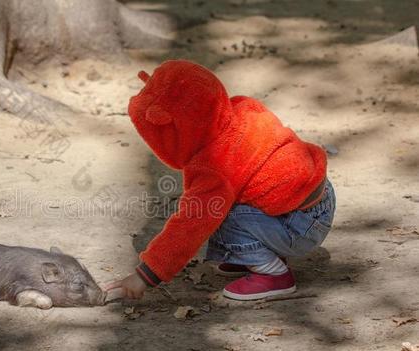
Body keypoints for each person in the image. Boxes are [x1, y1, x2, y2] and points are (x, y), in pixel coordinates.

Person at [105, 60, 335, 301]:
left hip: (299, 227)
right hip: (321, 197)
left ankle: (274, 275)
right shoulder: (241, 107)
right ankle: (256, 252)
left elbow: (188, 226)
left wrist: (145, 275)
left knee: (216, 212)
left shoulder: (212, 167)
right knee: (234, 198)